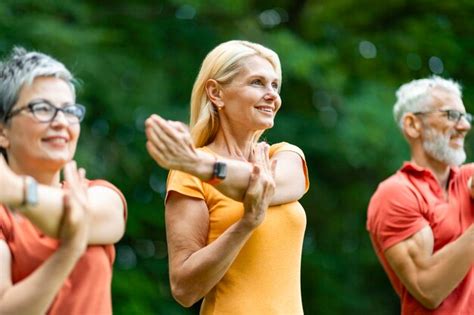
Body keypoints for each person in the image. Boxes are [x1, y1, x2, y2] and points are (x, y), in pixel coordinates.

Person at [145, 40, 309, 314]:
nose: (272, 95)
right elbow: (184, 290)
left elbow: (265, 186)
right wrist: (245, 224)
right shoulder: (189, 175)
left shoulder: (284, 156)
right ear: (216, 93)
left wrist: (203, 165)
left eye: (275, 85)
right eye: (257, 82)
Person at [0, 47, 127, 314]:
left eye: (69, 111)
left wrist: (18, 192)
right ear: (3, 131)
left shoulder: (100, 194)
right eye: (42, 108)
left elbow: (92, 216)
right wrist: (69, 250)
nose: (60, 122)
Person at [367, 76, 474, 314]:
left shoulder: (468, 178)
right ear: (413, 125)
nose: (464, 126)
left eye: (465, 117)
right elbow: (428, 289)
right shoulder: (395, 193)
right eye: (451, 115)